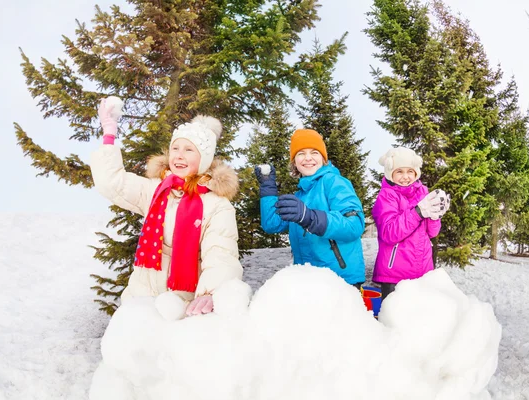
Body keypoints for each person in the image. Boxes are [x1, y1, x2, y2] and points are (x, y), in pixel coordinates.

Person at [90, 97, 243, 316]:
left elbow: (221, 253)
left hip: (182, 308)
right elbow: (112, 183)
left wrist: (212, 291)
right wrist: (109, 133)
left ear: (204, 158)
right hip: (140, 302)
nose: (179, 155)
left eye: (189, 150)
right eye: (175, 148)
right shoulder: (157, 190)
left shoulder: (216, 205)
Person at [255, 129, 366, 287]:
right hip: (308, 280)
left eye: (314, 152)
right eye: (300, 153)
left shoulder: (334, 182)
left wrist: (311, 218)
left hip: (340, 280)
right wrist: (268, 189)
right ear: (294, 162)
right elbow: (272, 224)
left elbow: (354, 225)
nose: (308, 158)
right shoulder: (300, 194)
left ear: (323, 158)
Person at [372, 147, 450, 301]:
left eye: (410, 171)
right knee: (394, 321)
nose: (405, 177)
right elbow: (389, 232)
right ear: (390, 173)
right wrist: (418, 212)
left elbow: (432, 233)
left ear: (416, 172)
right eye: (399, 171)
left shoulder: (423, 193)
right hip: (394, 274)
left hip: (423, 272)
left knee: (418, 322)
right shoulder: (386, 196)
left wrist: (435, 216)